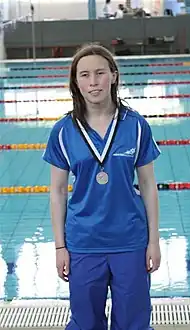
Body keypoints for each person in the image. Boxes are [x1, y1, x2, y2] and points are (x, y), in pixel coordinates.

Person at [43, 43, 161, 330]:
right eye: (84, 75)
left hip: (130, 241)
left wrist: (154, 241)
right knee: (85, 322)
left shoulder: (136, 126)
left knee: (134, 322)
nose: (93, 81)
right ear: (75, 82)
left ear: (114, 76)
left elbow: (147, 184)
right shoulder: (62, 131)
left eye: (99, 73)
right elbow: (57, 192)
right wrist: (60, 246)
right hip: (83, 243)